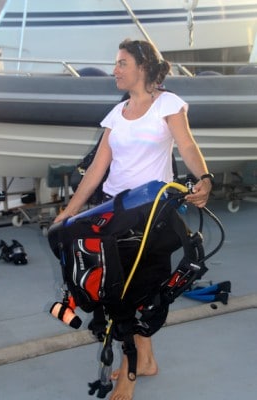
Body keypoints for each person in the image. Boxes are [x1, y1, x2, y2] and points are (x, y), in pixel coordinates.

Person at [54, 38, 213, 400]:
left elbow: (186, 146)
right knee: (118, 292)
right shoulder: (117, 114)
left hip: (150, 217)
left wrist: (204, 178)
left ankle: (128, 374)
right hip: (113, 214)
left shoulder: (167, 104)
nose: (115, 70)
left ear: (142, 66)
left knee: (133, 296)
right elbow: (97, 169)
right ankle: (146, 360)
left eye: (122, 63)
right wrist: (68, 213)